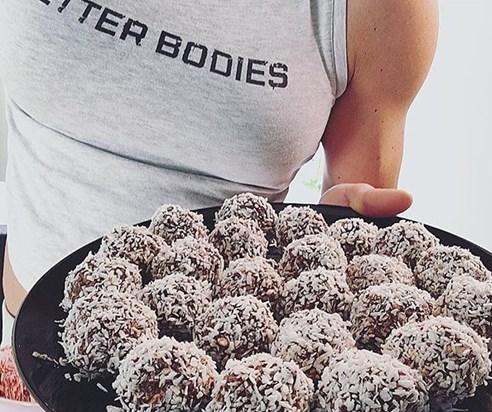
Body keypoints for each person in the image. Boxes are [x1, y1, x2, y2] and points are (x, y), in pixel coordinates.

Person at [1, 0, 438, 340]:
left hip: (216, 398)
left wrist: (333, 232)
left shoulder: (380, 9)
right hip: (18, 349)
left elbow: (354, 237)